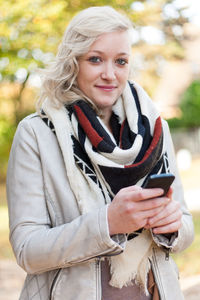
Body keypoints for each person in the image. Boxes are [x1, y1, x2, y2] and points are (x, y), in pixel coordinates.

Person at [6, 6, 194, 300]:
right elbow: (27, 249)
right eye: (95, 59)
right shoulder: (36, 134)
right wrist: (108, 223)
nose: (110, 74)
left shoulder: (156, 129)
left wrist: (172, 225)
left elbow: (184, 226)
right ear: (73, 62)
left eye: (121, 61)